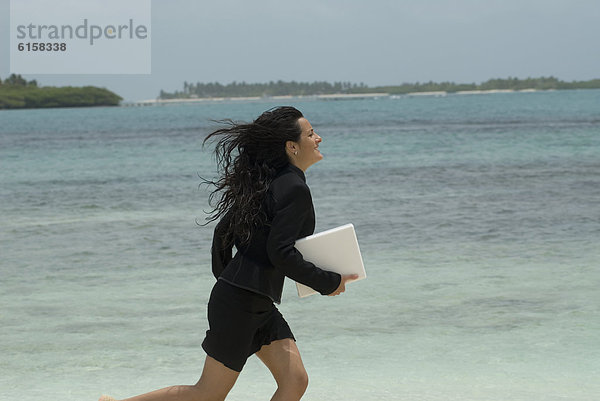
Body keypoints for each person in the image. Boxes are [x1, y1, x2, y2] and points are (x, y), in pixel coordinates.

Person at [99, 106, 357, 401]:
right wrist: (328, 282)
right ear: (292, 146)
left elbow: (222, 234)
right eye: (311, 134)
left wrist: (230, 282)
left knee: (295, 380)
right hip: (243, 303)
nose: (318, 138)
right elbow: (281, 253)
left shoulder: (270, 182)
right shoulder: (293, 188)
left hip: (250, 301)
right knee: (207, 394)